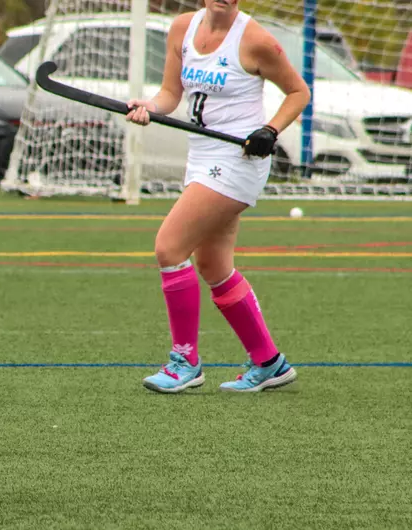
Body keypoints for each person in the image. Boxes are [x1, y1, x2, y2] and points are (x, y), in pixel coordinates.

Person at [125, 0, 310, 393]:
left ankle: (185, 361)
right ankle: (270, 362)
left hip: (239, 158)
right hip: (202, 154)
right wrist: (150, 107)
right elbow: (171, 94)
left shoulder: (255, 39)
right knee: (212, 266)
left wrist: (270, 130)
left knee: (169, 247)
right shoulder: (181, 29)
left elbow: (298, 92)